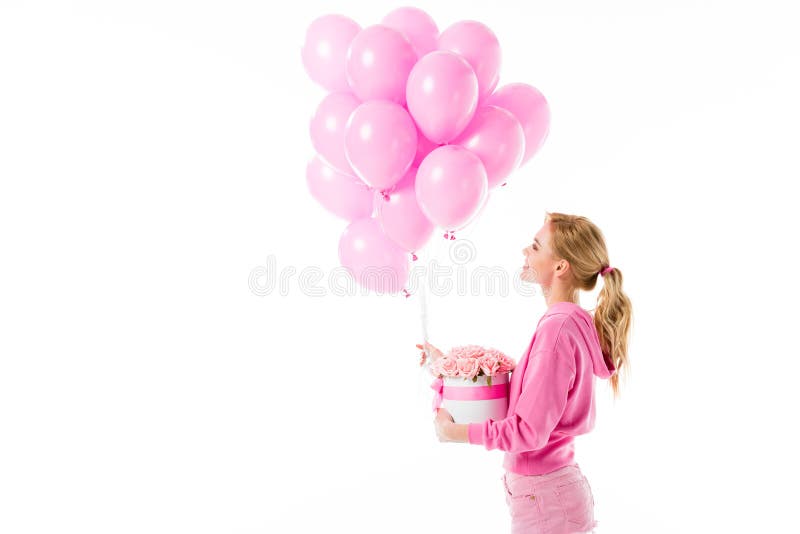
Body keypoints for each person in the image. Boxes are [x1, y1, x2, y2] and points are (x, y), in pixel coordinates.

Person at [417, 211, 632, 533]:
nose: (524, 252)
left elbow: (527, 432)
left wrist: (454, 433)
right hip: (548, 495)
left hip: (546, 500)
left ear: (560, 267)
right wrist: (448, 368)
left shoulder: (557, 329)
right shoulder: (567, 324)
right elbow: (529, 396)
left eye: (534, 246)